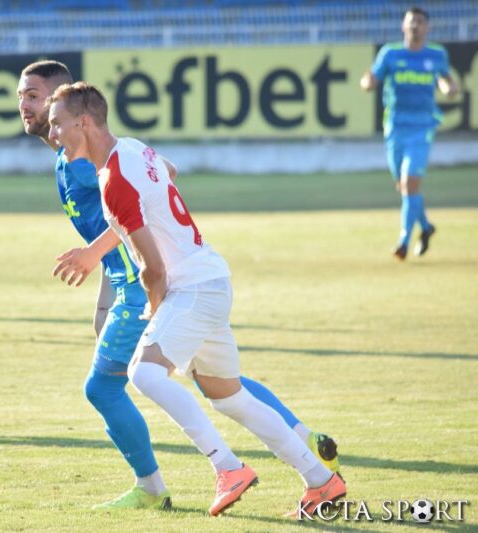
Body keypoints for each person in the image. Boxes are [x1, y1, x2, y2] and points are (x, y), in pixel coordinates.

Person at [18, 60, 340, 512]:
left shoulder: (112, 181)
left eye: (57, 123)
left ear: (84, 122)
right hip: (210, 278)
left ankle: (226, 468)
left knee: (144, 374)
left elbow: (153, 268)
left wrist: (154, 306)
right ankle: (320, 479)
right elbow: (164, 173)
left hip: (190, 289)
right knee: (231, 397)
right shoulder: (131, 149)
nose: (53, 134)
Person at [360, 6, 458, 260]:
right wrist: (367, 82)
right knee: (404, 187)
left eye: (420, 22)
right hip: (395, 127)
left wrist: (449, 87)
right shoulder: (390, 53)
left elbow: (445, 79)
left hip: (422, 126)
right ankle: (426, 227)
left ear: (427, 27)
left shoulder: (436, 54)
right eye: (411, 22)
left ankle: (403, 241)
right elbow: (372, 77)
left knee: (410, 182)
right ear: (403, 26)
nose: (415, 26)